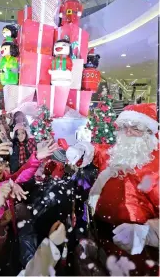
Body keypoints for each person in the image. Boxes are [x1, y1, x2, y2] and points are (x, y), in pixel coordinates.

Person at [67, 103, 159, 275]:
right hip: (101, 243)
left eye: (136, 128)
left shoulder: (156, 166)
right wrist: (81, 149)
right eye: (125, 127)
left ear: (149, 132)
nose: (129, 132)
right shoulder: (117, 153)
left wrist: (146, 234)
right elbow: (96, 150)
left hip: (137, 257)